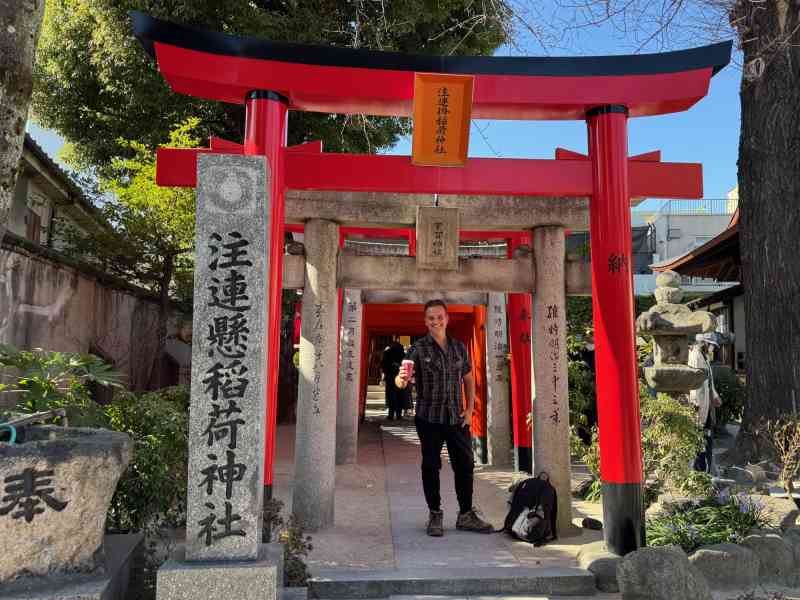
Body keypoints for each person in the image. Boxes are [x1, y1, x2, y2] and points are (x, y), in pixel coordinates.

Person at [396, 299, 493, 537]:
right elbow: (401, 382)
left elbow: (469, 378)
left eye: (440, 317)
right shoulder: (417, 349)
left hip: (457, 418)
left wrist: (470, 409)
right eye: (431, 318)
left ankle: (466, 514)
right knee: (431, 466)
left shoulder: (459, 348)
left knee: (466, 465)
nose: (436, 321)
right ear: (425, 321)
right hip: (429, 418)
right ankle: (435, 514)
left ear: (447, 319)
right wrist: (401, 379)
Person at [688, 333, 722, 474]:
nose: (713, 348)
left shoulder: (705, 358)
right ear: (705, 343)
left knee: (707, 435)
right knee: (699, 436)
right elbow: (694, 382)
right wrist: (695, 403)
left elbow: (709, 381)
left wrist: (715, 396)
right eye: (712, 345)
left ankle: (706, 467)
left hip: (706, 403)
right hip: (698, 404)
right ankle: (699, 469)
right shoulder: (695, 356)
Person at [381, 339, 405, 420]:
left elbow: (383, 364)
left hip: (390, 377)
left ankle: (391, 414)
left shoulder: (387, 352)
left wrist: (386, 372)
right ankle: (399, 414)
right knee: (400, 395)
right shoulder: (403, 354)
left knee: (390, 395)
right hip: (400, 377)